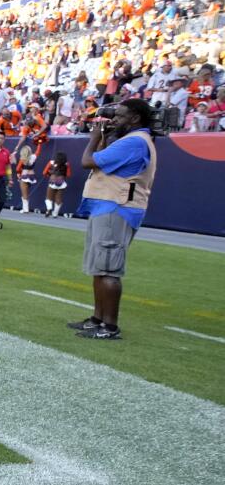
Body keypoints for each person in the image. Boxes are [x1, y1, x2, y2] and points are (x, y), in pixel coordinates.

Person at [70, 98, 157, 340]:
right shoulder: (131, 141)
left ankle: (109, 326)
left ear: (135, 119)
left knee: (108, 269)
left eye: (119, 116)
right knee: (100, 267)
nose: (114, 120)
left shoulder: (134, 142)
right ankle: (98, 319)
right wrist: (106, 138)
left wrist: (94, 139)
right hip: (109, 206)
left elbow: (88, 161)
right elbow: (104, 162)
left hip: (117, 208)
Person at [42, 152, 69, 218]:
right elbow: (68, 175)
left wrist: (49, 174)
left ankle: (49, 208)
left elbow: (44, 172)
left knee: (49, 197)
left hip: (52, 181)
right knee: (58, 199)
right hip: (61, 182)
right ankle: (55, 214)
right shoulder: (67, 164)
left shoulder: (51, 163)